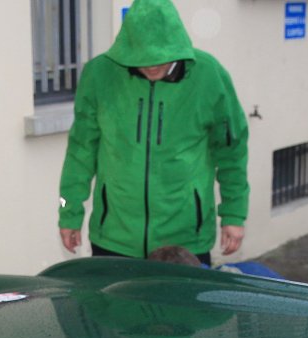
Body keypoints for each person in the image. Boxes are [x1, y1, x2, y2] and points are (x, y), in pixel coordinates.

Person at [57, 0, 249, 265]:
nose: (151, 67)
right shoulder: (99, 75)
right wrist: (68, 212)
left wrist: (234, 214)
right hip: (114, 237)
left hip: (185, 240)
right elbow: (80, 151)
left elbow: (232, 151)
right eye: (141, 58)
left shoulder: (209, 76)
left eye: (160, 57)